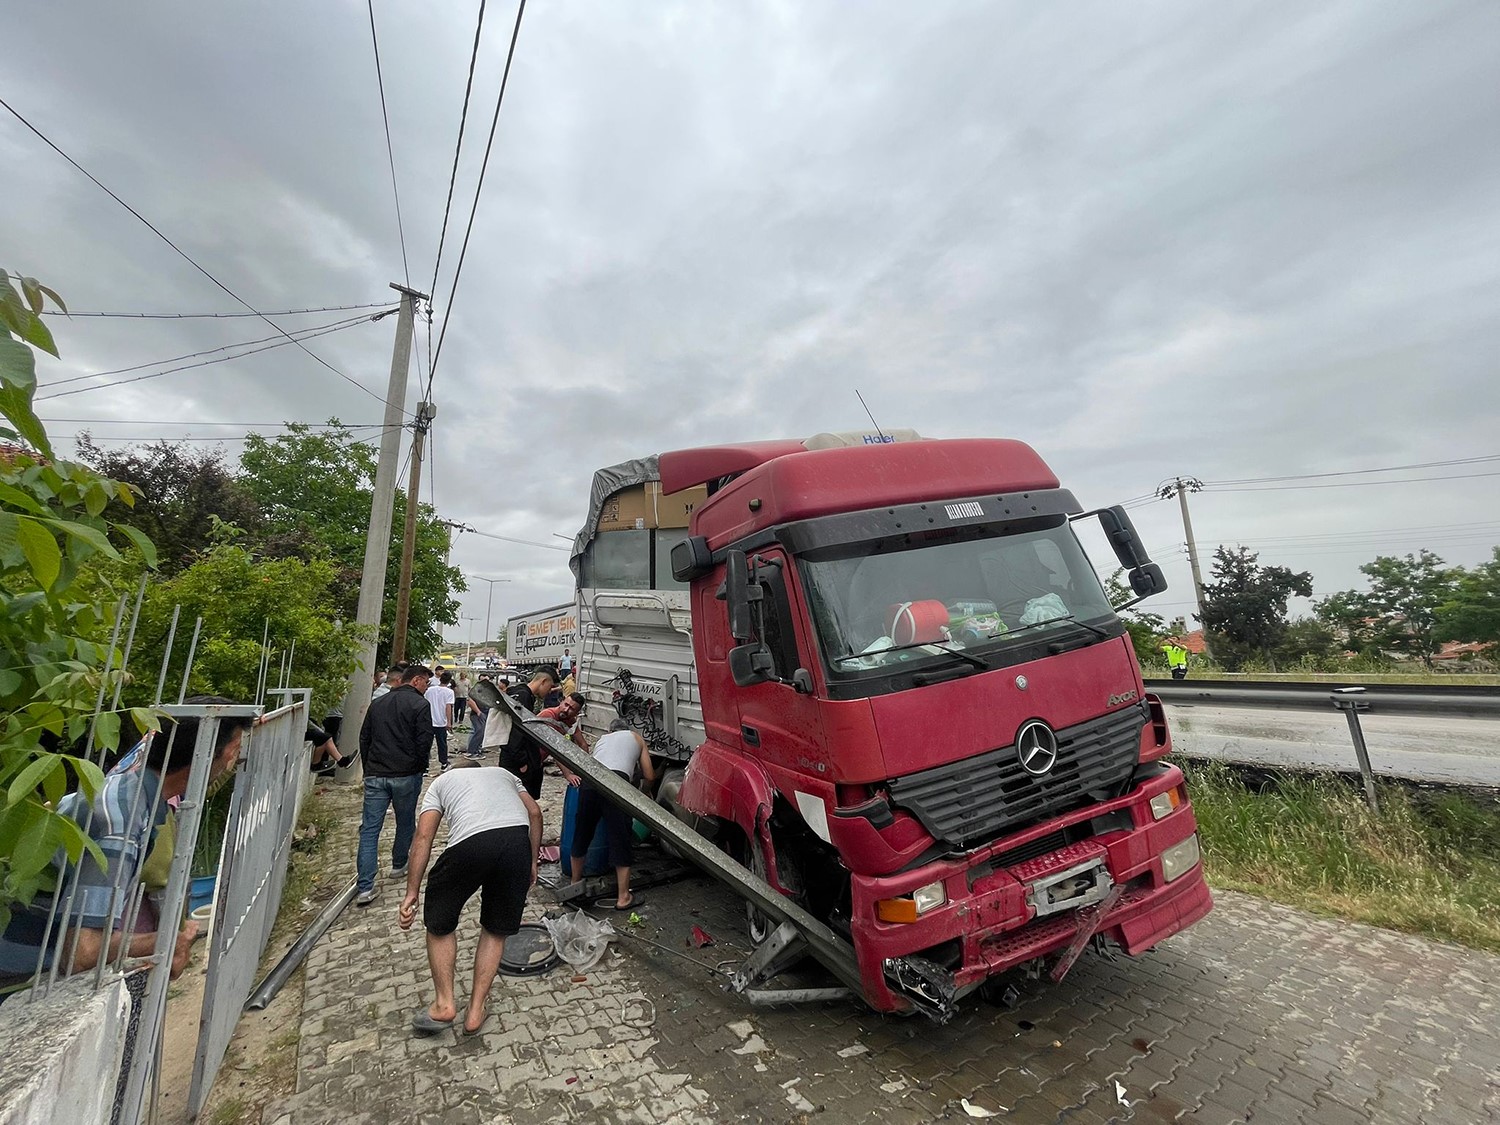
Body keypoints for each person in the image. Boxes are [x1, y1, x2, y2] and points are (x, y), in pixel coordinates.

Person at [0, 698, 251, 988]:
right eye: (233, 751)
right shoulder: (121, 821)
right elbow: (82, 952)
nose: (232, 762)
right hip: (17, 974)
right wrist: (167, 941)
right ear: (205, 757)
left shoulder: (125, 790)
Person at [398, 759, 542, 1037]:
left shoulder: (441, 782)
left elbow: (423, 837)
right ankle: (475, 1011)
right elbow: (534, 813)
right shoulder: (503, 773)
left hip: (470, 843)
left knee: (440, 924)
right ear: (479, 770)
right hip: (516, 844)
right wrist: (532, 862)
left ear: (456, 772)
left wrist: (411, 893)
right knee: (496, 929)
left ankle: (444, 1005)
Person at [356, 664, 435, 906]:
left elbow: (364, 738)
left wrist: (369, 768)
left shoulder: (377, 703)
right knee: (405, 821)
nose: (427, 687)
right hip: (405, 774)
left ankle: (365, 887)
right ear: (416, 681)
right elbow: (424, 741)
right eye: (426, 682)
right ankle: (399, 865)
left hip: (376, 773)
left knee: (369, 830)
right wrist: (419, 767)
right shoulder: (420, 705)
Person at [569, 718, 655, 911]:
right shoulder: (637, 738)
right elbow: (649, 775)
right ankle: (623, 897)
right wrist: (644, 791)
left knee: (582, 833)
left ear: (610, 731)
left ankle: (574, 886)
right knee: (620, 838)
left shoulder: (603, 739)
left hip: (590, 780)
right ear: (627, 729)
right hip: (616, 783)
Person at [495, 669, 557, 799]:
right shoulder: (524, 696)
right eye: (550, 686)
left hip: (510, 757)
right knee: (520, 800)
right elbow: (516, 730)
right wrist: (522, 762)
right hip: (517, 762)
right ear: (543, 681)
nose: (550, 691)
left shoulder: (517, 692)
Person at [536, 693, 587, 786]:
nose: (566, 710)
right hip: (526, 759)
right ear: (561, 701)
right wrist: (567, 774)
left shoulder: (569, 720)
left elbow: (582, 744)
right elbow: (553, 748)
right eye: (566, 705)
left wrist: (585, 768)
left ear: (577, 713)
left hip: (538, 761)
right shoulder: (548, 715)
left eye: (572, 709)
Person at [426, 671, 457, 772]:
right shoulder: (449, 692)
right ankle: (443, 763)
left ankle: (425, 766)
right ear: (449, 681)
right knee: (442, 743)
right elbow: (448, 707)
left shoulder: (430, 690)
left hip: (429, 720)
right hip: (441, 721)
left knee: (427, 743)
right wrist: (449, 722)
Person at [464, 673, 492, 759]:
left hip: (485, 712)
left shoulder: (488, 691)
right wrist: (478, 712)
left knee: (481, 733)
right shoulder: (476, 690)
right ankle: (471, 751)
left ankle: (477, 750)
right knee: (479, 732)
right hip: (477, 714)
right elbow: (470, 701)